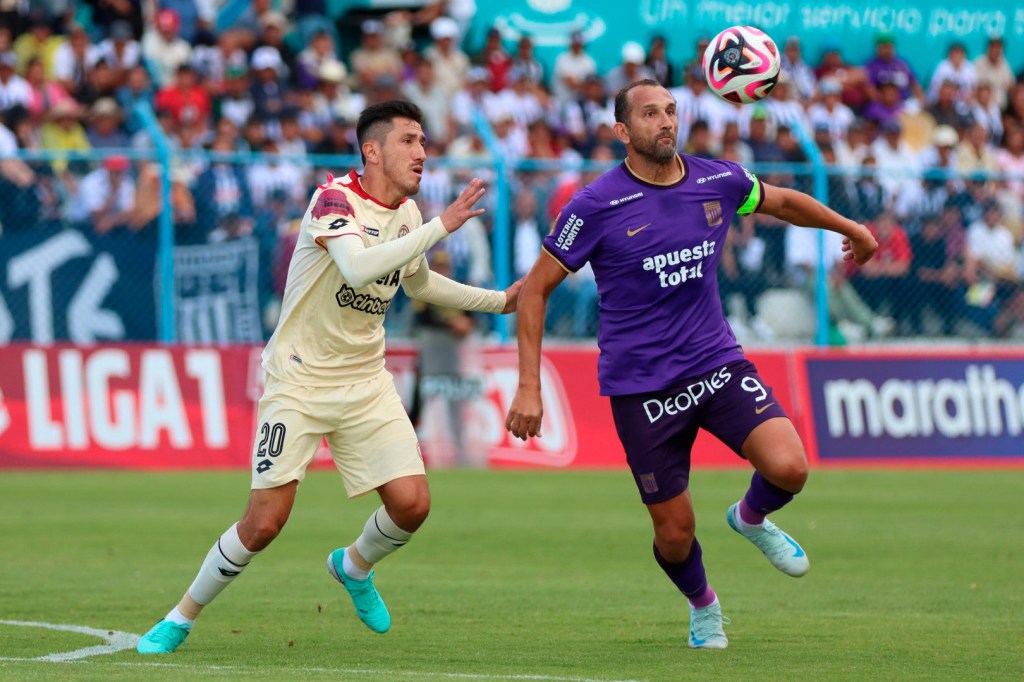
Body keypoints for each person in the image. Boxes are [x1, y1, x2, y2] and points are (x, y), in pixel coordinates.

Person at [136, 100, 522, 654]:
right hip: (299, 380)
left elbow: (417, 283)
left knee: (412, 504)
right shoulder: (333, 199)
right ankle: (180, 617)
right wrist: (443, 226)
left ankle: (353, 566)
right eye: (409, 140)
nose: (421, 151)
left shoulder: (409, 214)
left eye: (423, 141)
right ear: (372, 150)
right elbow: (358, 267)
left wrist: (498, 301)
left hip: (365, 381)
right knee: (264, 523)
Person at [504, 80, 879, 650]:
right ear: (622, 130)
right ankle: (703, 605)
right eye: (650, 114)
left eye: (671, 111)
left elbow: (783, 202)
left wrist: (851, 229)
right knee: (675, 534)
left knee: (790, 467)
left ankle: (750, 517)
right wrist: (529, 386)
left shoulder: (717, 180)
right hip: (642, 388)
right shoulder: (595, 205)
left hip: (715, 362)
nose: (665, 122)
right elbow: (535, 290)